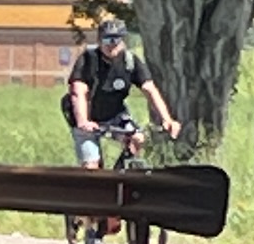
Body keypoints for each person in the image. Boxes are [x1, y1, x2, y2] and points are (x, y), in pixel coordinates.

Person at [63, 19, 176, 165]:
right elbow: (78, 92)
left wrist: (166, 119)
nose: (112, 44)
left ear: (123, 41)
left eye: (116, 39)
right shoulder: (88, 60)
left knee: (137, 139)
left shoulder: (130, 62)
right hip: (86, 114)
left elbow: (150, 90)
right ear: (99, 41)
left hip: (114, 114)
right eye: (107, 39)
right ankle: (96, 177)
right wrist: (83, 121)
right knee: (91, 166)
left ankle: (119, 173)